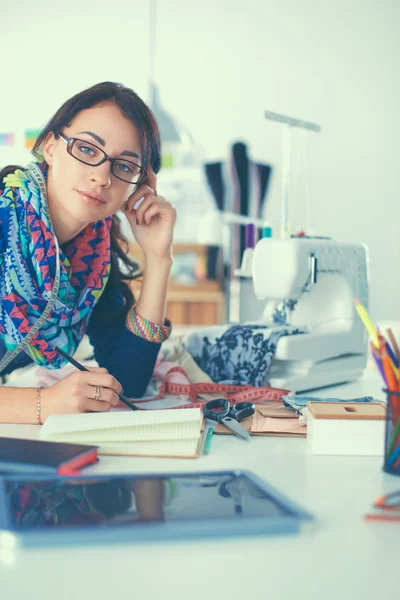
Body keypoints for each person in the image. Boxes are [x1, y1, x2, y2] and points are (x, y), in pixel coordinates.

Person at [0, 81, 176, 424]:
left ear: (137, 187)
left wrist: (157, 258)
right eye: (87, 149)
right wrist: (44, 403)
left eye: (124, 167)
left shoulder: (92, 261)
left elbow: (128, 382)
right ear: (50, 148)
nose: (101, 177)